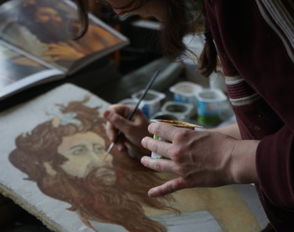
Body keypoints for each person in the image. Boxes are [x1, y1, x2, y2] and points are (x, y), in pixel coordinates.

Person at [74, 0, 294, 231]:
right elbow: (272, 124)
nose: (116, 11)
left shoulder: (244, 7)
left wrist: (231, 159)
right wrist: (171, 145)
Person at [9, 98, 259, 232]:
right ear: (52, 167)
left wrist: (231, 156)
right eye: (79, 151)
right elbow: (263, 127)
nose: (100, 158)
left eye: (98, 148)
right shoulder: (86, 204)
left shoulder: (175, 190)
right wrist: (148, 140)